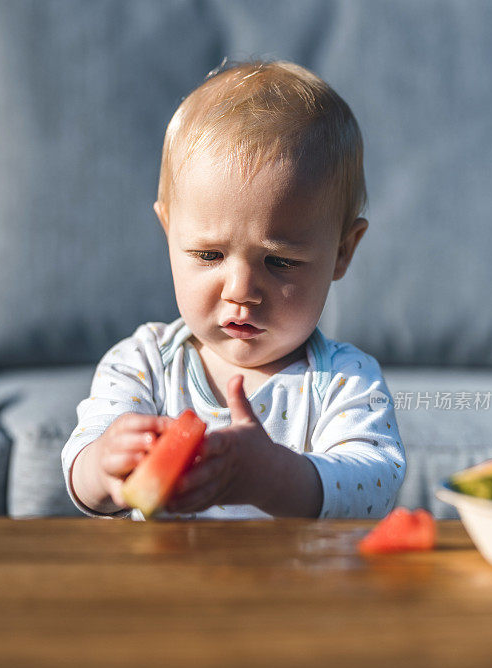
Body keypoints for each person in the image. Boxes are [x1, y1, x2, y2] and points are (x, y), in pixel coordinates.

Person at [61, 58, 406, 521]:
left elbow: (374, 484)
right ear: (169, 232)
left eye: (280, 261)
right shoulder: (143, 363)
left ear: (343, 252)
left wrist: (275, 477)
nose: (241, 290)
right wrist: (104, 465)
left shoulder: (347, 380)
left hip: (296, 591)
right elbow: (82, 465)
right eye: (208, 255)